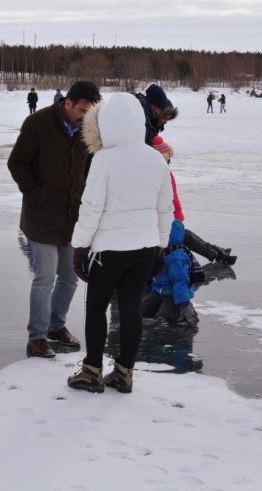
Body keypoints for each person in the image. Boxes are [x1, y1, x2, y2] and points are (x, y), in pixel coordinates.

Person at [66, 93, 173, 394]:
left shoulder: (104, 160)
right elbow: (166, 209)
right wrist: (160, 247)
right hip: (144, 249)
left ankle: (92, 371)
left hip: (109, 251)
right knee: (130, 308)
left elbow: (91, 208)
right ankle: (124, 373)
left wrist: (80, 247)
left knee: (97, 307)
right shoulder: (156, 159)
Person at [8, 81, 101, 358]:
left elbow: (92, 168)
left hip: (73, 218)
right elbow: (17, 163)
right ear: (68, 103)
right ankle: (36, 337)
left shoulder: (90, 129)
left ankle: (55, 325)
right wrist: (37, 194)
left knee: (70, 279)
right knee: (45, 277)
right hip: (41, 217)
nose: (86, 115)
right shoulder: (37, 123)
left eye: (91, 111)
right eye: (83, 109)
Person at [151, 137, 236, 265]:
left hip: (169, 213)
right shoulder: (160, 173)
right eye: (167, 156)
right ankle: (217, 253)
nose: (169, 159)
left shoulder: (163, 172)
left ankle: (216, 251)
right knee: (185, 237)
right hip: (165, 215)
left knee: (186, 236)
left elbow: (172, 197)